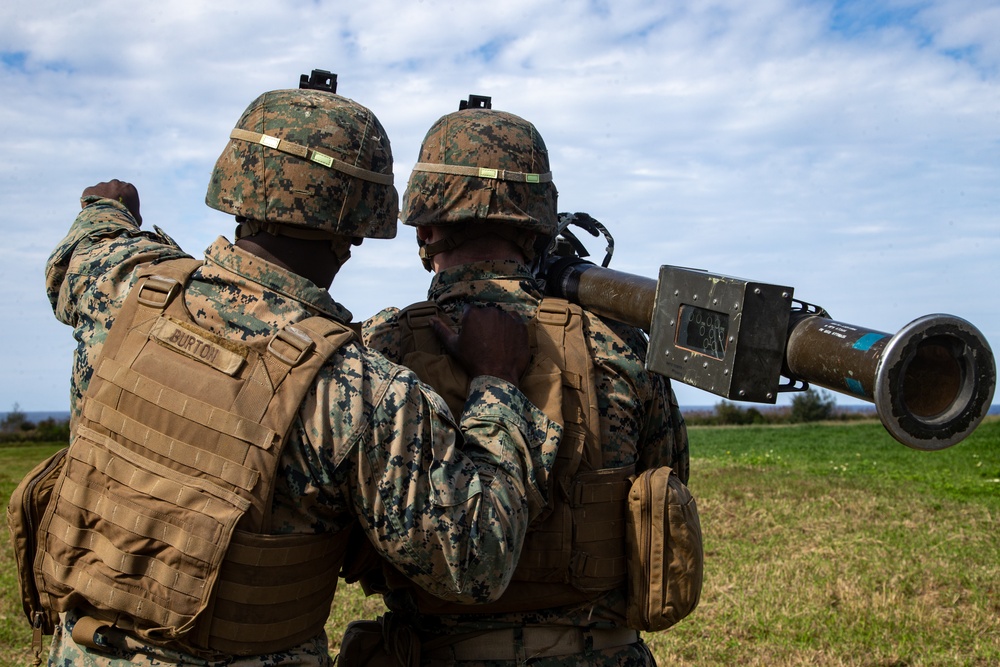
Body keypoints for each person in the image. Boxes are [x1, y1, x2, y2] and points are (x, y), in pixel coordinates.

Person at [38, 77, 560, 666]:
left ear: (233, 185)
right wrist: (497, 383)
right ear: (359, 228)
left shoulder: (121, 283)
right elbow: (476, 562)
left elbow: (84, 247)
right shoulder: (363, 390)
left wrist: (105, 207)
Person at [361, 99, 690, 666]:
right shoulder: (619, 347)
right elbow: (669, 485)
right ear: (538, 228)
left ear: (428, 229)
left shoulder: (378, 349)